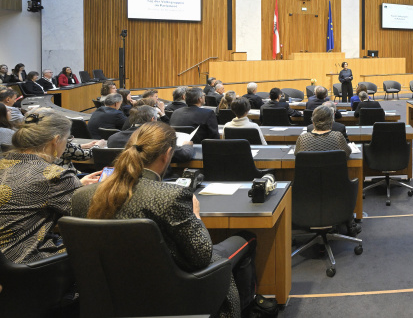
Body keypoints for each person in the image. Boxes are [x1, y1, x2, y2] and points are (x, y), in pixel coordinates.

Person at [71, 121, 256, 317]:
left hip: (107, 294)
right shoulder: (171, 196)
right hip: (173, 291)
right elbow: (202, 256)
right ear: (167, 154)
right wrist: (195, 215)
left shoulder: (81, 196)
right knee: (246, 238)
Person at [0, 110, 101, 263]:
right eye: (67, 139)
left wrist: (77, 184)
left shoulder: (4, 163)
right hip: (28, 264)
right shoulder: (54, 175)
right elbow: (92, 214)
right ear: (56, 140)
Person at [109, 105, 194, 162]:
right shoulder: (159, 138)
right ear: (153, 119)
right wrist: (187, 145)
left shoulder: (112, 139)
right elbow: (183, 155)